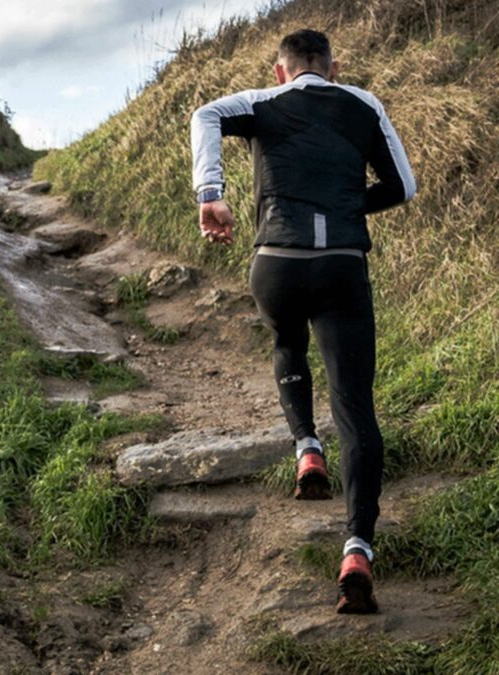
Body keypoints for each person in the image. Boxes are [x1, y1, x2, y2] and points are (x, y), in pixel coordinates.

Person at [188, 28, 416, 614]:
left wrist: (210, 193)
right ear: (332, 69)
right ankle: (357, 548)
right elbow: (403, 186)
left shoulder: (263, 101)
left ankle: (307, 448)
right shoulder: (363, 104)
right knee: (356, 406)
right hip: (342, 264)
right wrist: (341, 202)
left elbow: (205, 114)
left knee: (287, 342)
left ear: (281, 70)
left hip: (277, 263)